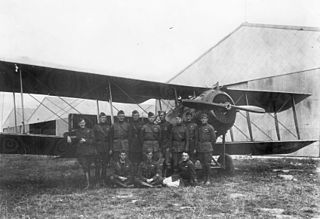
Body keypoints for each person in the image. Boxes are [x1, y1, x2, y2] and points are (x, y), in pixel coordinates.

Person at [67, 118, 96, 189]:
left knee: (87, 167)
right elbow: (66, 133)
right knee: (85, 167)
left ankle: (88, 183)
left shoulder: (90, 130)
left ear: (85, 123)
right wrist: (67, 137)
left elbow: (93, 140)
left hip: (89, 152)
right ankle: (88, 184)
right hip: (81, 152)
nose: (82, 124)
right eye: (80, 123)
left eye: (83, 122)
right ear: (78, 124)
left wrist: (86, 140)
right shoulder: (77, 131)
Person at [197, 113, 216, 185]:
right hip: (200, 148)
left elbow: (213, 138)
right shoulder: (199, 128)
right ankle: (204, 178)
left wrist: (209, 145)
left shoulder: (210, 127)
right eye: (202, 119)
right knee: (203, 164)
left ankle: (208, 179)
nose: (203, 120)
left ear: (207, 119)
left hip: (207, 148)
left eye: (204, 118)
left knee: (207, 164)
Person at [92, 112, 111, 185]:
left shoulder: (108, 126)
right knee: (97, 165)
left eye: (105, 118)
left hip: (106, 147)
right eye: (102, 118)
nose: (103, 119)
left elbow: (110, 138)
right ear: (99, 118)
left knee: (104, 165)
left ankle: (103, 180)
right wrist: (95, 149)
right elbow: (93, 138)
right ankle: (97, 181)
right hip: (98, 147)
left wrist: (110, 148)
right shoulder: (96, 127)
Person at [158, 111, 172, 175]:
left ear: (165, 116)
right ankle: (160, 175)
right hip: (160, 146)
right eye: (160, 115)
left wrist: (169, 146)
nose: (161, 116)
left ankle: (166, 176)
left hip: (167, 145)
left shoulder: (168, 125)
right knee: (160, 162)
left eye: (162, 115)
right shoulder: (158, 125)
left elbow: (171, 136)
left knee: (167, 162)